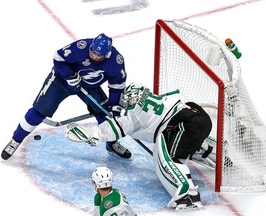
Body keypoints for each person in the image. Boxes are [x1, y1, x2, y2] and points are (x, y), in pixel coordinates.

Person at [67, 82, 212, 210]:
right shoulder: (157, 98)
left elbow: (115, 128)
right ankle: (217, 157)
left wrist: (91, 133)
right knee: (180, 141)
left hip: (186, 126)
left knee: (166, 154)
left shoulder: (134, 114)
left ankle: (188, 196)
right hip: (201, 118)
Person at [1, 33, 132, 160]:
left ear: (107, 54)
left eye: (99, 55)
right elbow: (58, 58)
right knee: (38, 111)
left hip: (90, 87)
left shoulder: (116, 62)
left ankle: (112, 143)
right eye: (93, 52)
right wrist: (70, 75)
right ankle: (15, 140)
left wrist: (113, 108)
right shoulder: (81, 47)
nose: (95, 56)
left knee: (107, 116)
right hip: (62, 81)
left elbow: (117, 88)